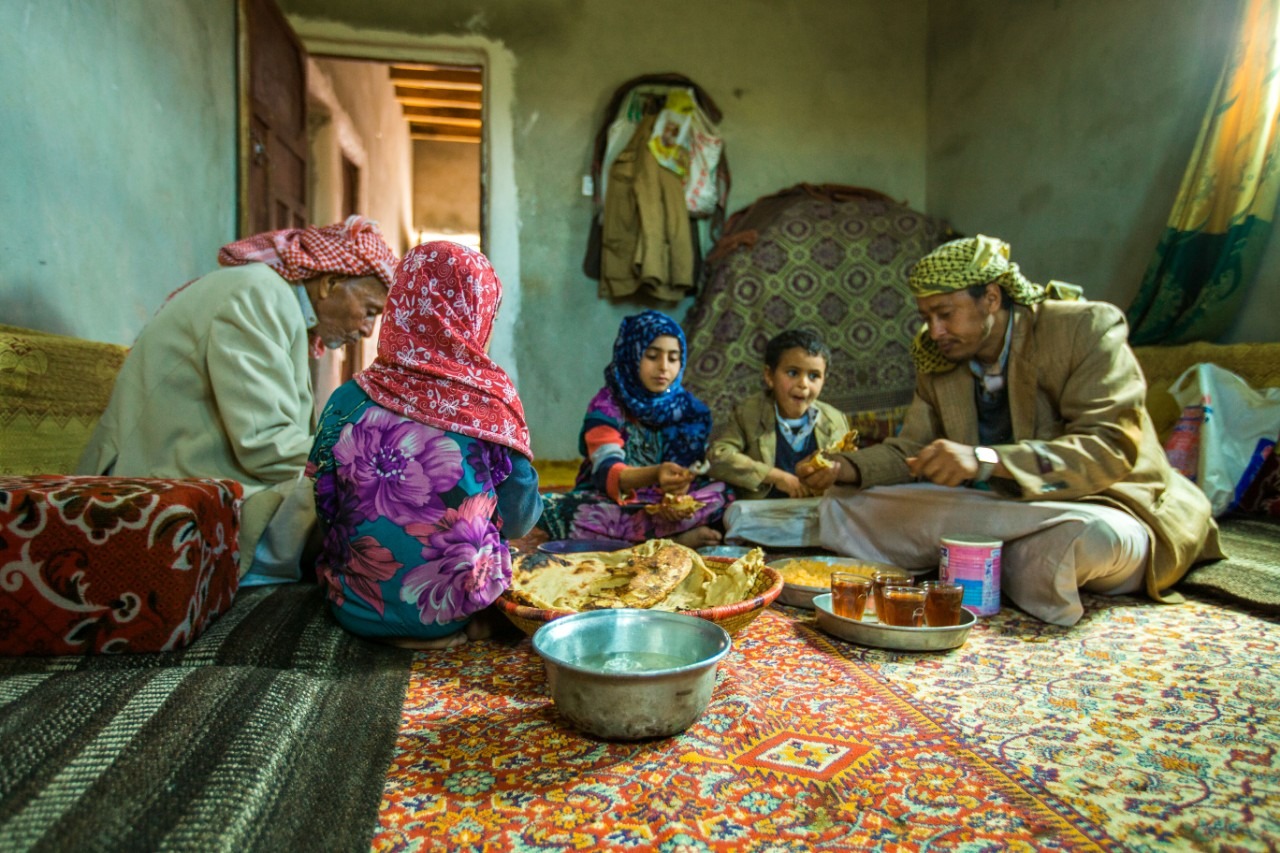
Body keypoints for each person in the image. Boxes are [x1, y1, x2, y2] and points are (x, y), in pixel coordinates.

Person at [797, 234, 1222, 626]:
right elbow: (912, 450)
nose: (935, 331)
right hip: (994, 509)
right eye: (927, 316)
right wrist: (845, 469)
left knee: (1088, 540)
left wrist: (985, 460)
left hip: (1101, 504)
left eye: (945, 314)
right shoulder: (939, 359)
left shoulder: (1084, 328)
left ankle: (972, 558)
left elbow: (1108, 447)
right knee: (847, 503)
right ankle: (993, 563)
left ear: (992, 298)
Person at [77, 215, 398, 584]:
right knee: (364, 505)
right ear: (331, 282)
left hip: (193, 471)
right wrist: (362, 464)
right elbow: (264, 445)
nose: (368, 329)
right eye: (370, 311)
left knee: (364, 498)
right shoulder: (259, 295)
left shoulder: (272, 299)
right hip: (152, 486)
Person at [307, 241, 541, 649]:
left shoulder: (347, 398)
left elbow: (325, 507)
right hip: (456, 611)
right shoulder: (489, 406)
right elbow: (519, 519)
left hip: (355, 610)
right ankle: (461, 629)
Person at [537, 310, 729, 548]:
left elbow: (692, 469)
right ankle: (672, 540)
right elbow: (607, 469)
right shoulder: (608, 405)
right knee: (554, 509)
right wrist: (655, 473)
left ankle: (645, 540)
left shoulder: (691, 410)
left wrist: (678, 496)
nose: (663, 367)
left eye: (673, 358)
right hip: (620, 501)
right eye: (652, 356)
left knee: (726, 494)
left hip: (668, 507)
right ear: (632, 355)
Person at [706, 328, 851, 547]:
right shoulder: (749, 412)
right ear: (769, 376)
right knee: (737, 514)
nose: (804, 384)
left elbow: (848, 466)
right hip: (765, 512)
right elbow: (718, 456)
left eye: (814, 376)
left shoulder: (834, 420)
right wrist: (775, 476)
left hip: (814, 512)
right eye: (793, 373)